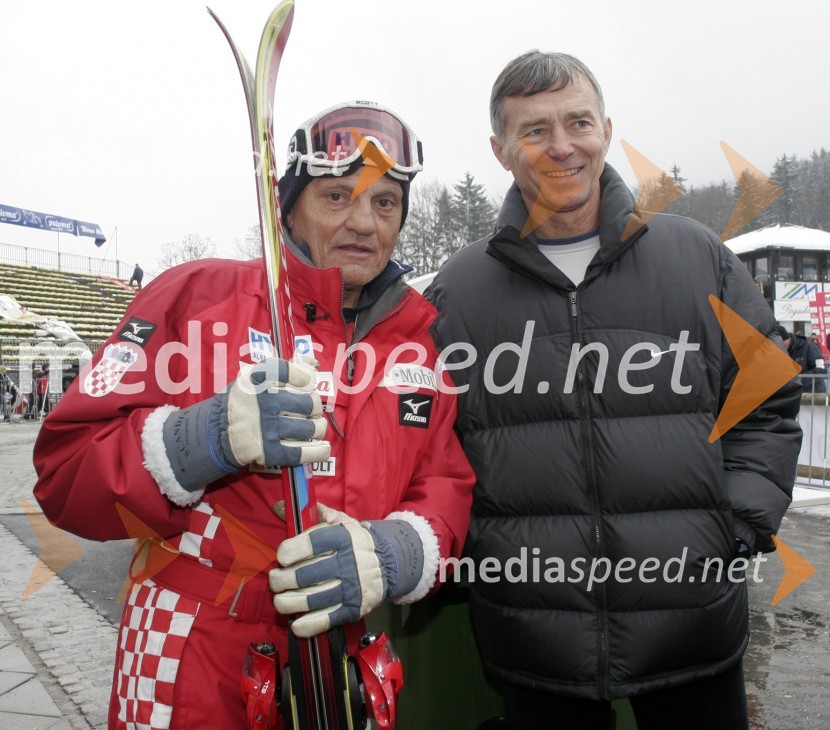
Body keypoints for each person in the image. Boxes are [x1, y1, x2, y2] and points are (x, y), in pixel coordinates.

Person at [33, 100, 474, 729]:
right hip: (192, 654)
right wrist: (202, 437)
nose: (364, 222)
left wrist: (392, 553)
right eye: (337, 196)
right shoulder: (194, 297)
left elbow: (444, 488)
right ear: (287, 208)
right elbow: (65, 476)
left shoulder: (417, 343)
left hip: (338, 665)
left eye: (385, 203)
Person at [427, 51, 802, 730]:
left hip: (692, 626)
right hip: (535, 635)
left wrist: (736, 523)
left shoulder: (697, 257)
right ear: (500, 150)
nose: (561, 146)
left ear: (606, 130)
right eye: (534, 130)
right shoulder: (459, 290)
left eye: (578, 122)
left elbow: (767, 398)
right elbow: (432, 447)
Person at [777, 326, 826, 393]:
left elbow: (821, 369)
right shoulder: (780, 353)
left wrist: (799, 380)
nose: (779, 347)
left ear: (788, 339)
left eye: (781, 343)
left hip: (813, 393)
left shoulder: (809, 347)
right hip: (794, 394)